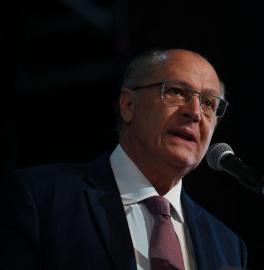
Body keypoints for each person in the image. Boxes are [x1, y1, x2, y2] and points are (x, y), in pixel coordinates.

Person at [0, 49, 247, 270]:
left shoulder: (227, 246)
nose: (194, 112)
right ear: (128, 105)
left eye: (208, 103)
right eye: (175, 92)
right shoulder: (39, 198)